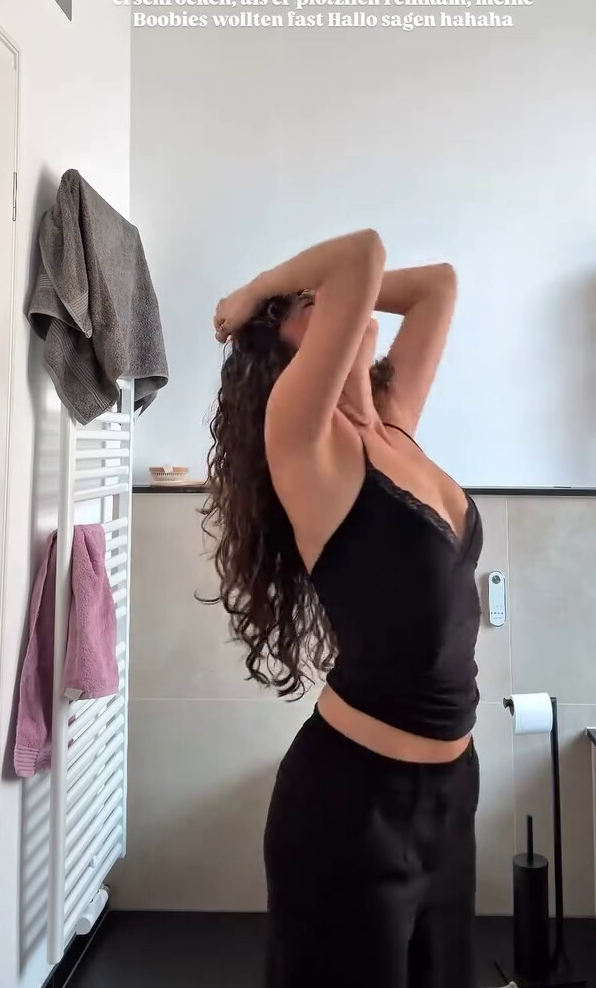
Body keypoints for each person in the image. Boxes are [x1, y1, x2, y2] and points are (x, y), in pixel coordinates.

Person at [204, 230, 483, 988]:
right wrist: (256, 293)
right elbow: (362, 255)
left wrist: (309, 297)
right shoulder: (305, 440)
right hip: (353, 810)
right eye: (305, 306)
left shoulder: (392, 421)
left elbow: (438, 284)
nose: (329, 301)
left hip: (452, 798)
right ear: (286, 351)